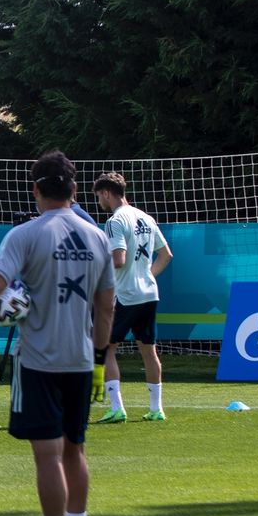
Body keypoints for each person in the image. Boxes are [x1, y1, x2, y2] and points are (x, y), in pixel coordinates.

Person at [0, 151, 114, 516]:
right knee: (76, 450)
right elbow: (107, 308)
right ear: (75, 188)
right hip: (82, 361)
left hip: (39, 362)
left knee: (47, 456)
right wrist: (101, 359)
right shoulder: (97, 236)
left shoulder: (25, 234)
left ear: (35, 190)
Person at [92, 172, 173, 423]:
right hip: (149, 293)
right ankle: (156, 409)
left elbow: (119, 259)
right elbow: (166, 255)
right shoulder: (145, 217)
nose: (99, 202)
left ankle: (117, 408)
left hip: (126, 295)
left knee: (106, 349)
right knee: (149, 350)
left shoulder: (115, 220)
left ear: (106, 193)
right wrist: (146, 276)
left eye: (98, 197)